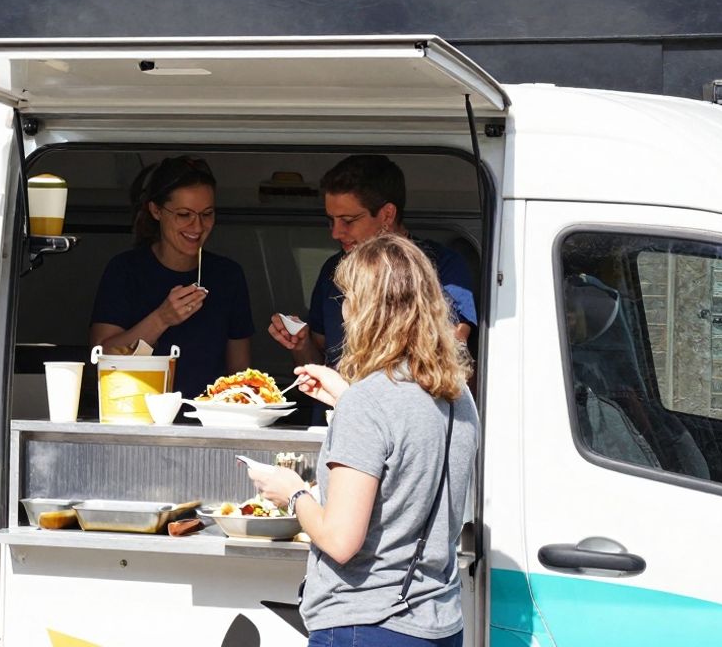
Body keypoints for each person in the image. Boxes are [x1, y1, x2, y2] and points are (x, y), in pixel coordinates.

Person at [249, 235, 479, 647]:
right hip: (440, 621)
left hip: (366, 623)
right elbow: (411, 440)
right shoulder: (458, 395)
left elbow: (340, 540)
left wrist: (293, 492)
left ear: (367, 310)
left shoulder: (369, 402)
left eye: (349, 297)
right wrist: (345, 394)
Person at [269, 155, 477, 419]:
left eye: (348, 220)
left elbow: (448, 353)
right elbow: (321, 357)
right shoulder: (332, 269)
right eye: (331, 220)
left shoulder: (442, 267)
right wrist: (300, 344)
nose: (335, 232)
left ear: (387, 214)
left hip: (402, 425)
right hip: (332, 424)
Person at [90, 156, 254, 398]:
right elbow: (102, 356)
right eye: (184, 214)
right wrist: (162, 318)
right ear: (156, 210)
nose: (197, 226)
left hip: (209, 422)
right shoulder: (126, 270)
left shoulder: (227, 276)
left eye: (207, 214)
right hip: (137, 416)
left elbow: (240, 374)